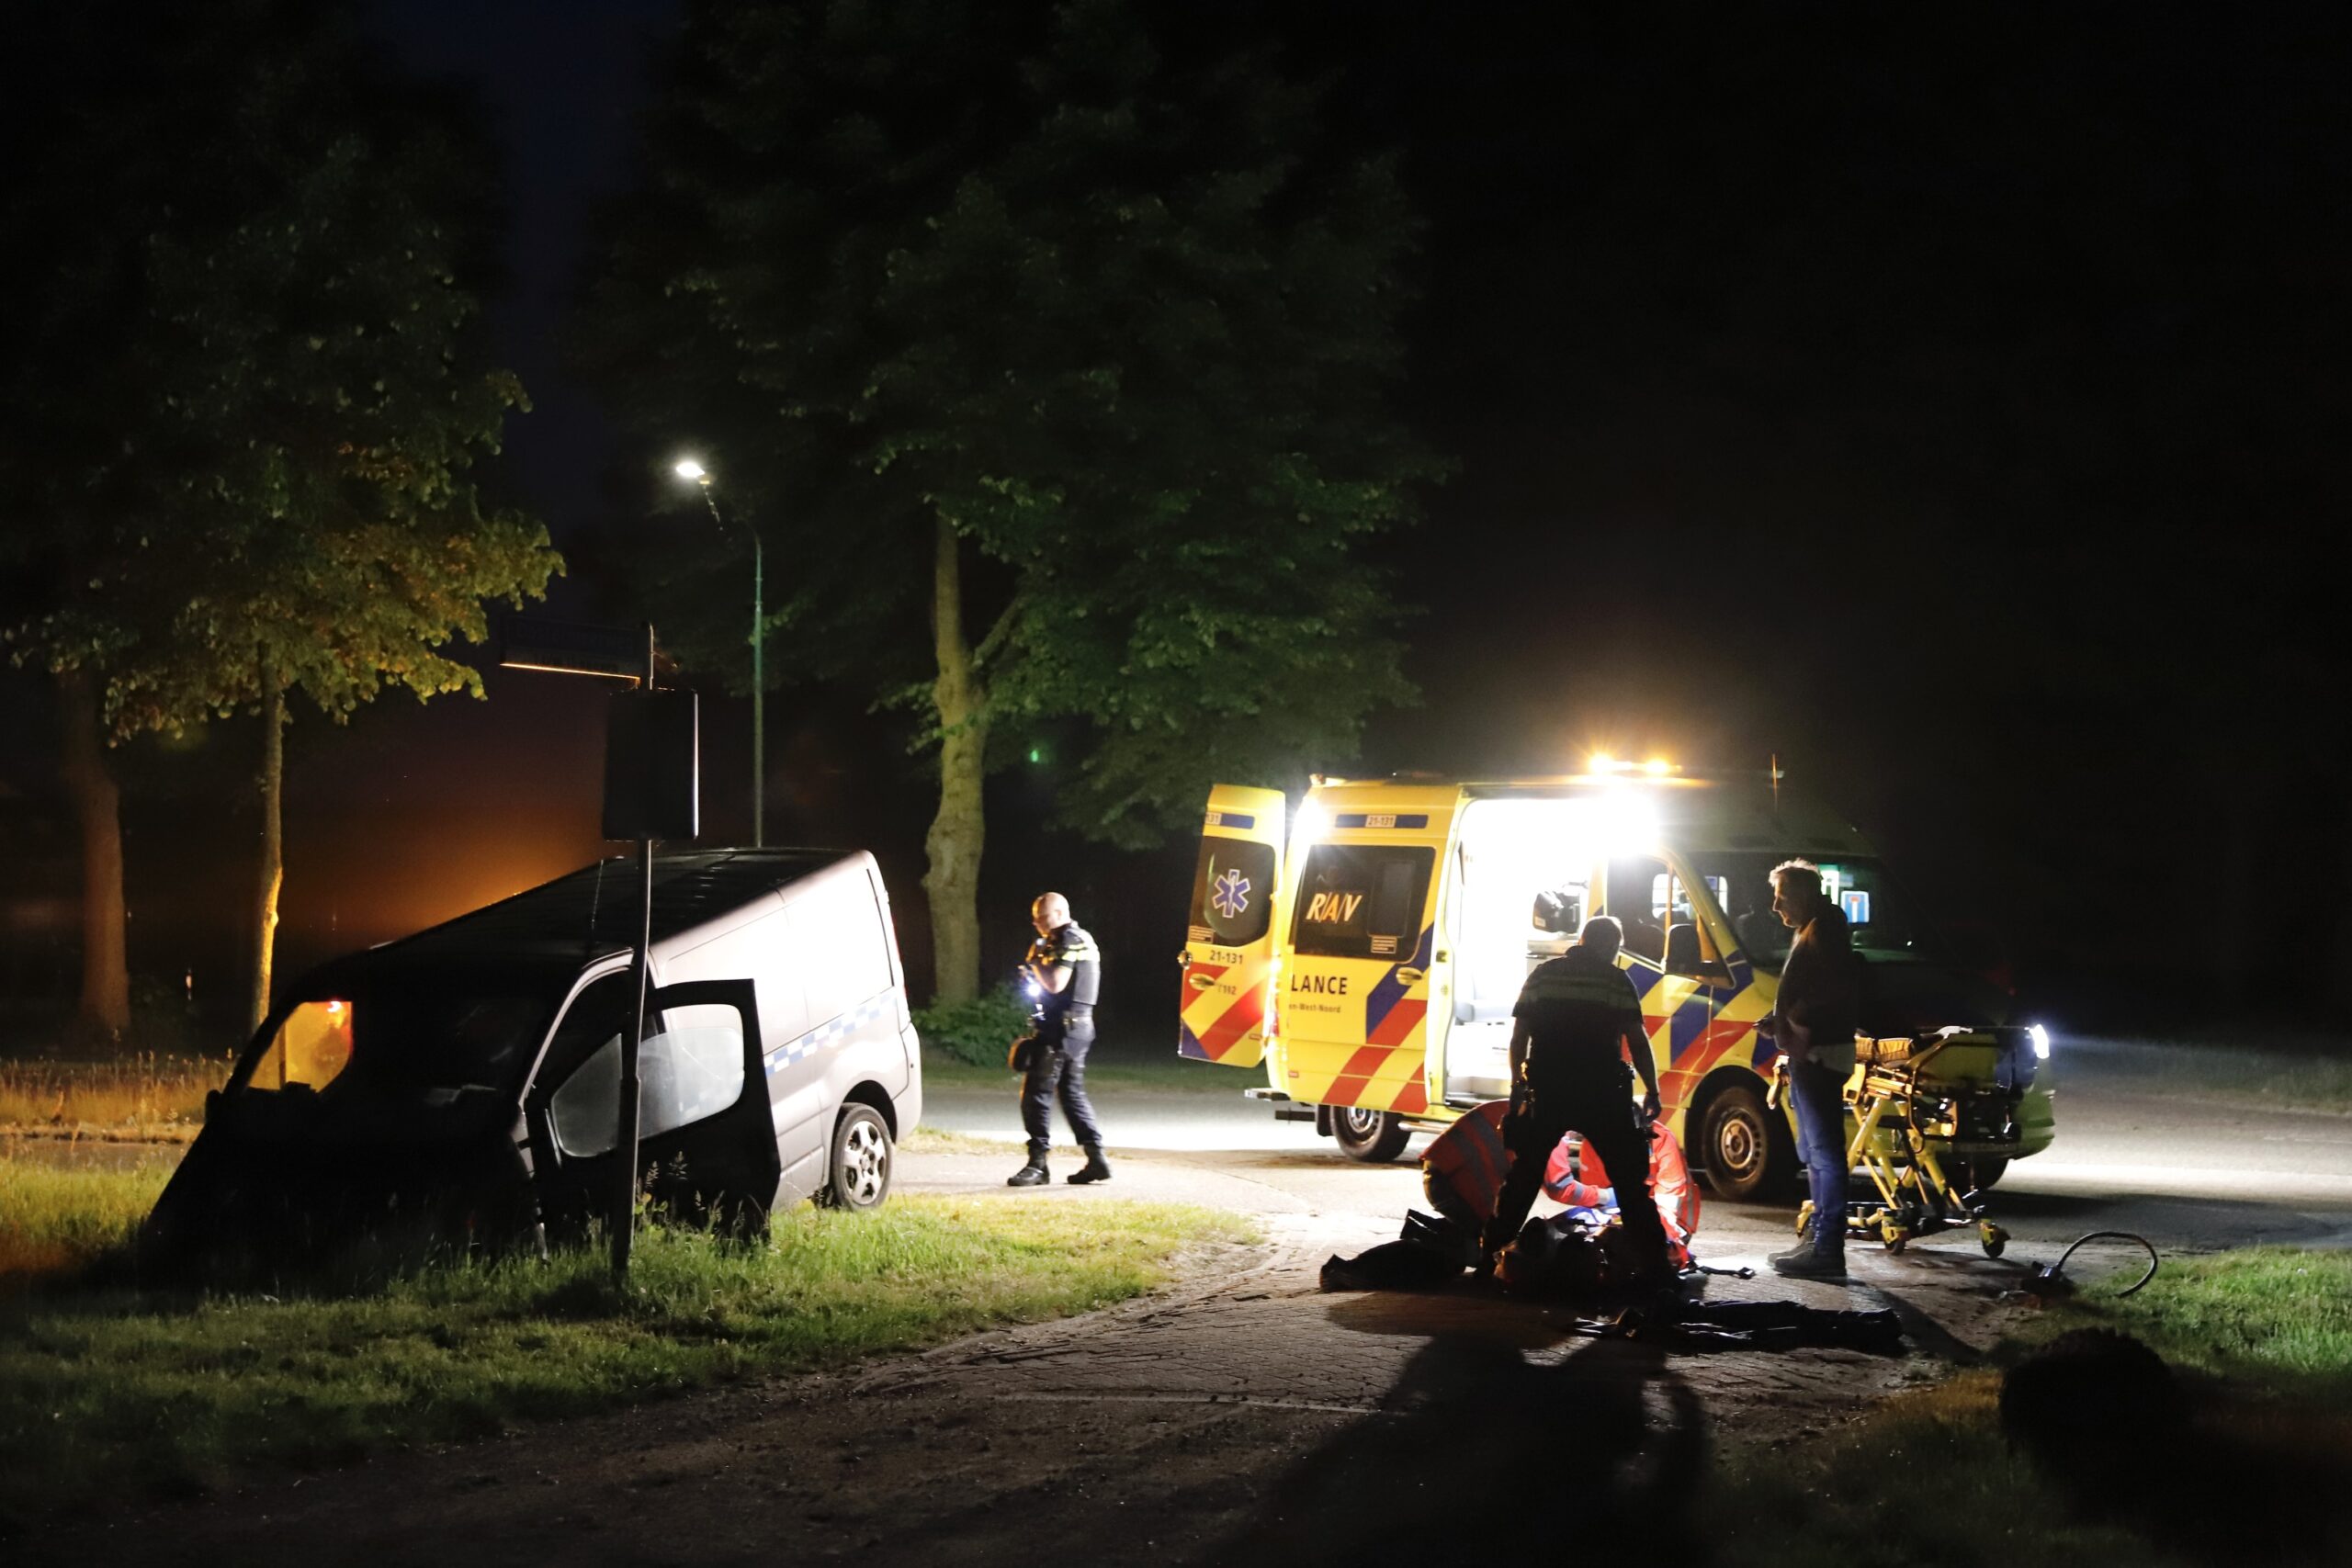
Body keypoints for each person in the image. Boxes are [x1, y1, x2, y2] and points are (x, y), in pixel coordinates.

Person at [1477, 915, 1673, 1285]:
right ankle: (1656, 1270)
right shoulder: (1616, 980)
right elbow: (1638, 1039)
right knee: (1630, 1185)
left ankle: (1490, 1254)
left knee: (1524, 1176)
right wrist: (1652, 1088)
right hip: (1602, 1092)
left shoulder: (1543, 976)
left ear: (1581, 940)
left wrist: (1517, 1088)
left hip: (1548, 1089)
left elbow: (1520, 1036)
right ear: (1612, 948)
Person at [1759, 859, 1860, 1280]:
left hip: (1818, 1053)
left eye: (1781, 897)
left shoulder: (1824, 930)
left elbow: (1829, 991)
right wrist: (1780, 1017)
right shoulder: (1818, 927)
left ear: (1801, 894)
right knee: (1816, 1154)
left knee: (1824, 1154)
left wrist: (1795, 1022)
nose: (1775, 906)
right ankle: (1818, 1239)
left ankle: (1826, 1245)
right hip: (1812, 1050)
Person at [1007, 892, 1110, 1187]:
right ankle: (1097, 1159)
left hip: (1061, 1031)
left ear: (1061, 912)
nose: (1038, 923)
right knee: (1071, 1093)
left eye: (1043, 916)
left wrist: (1035, 961)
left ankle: (1038, 1165)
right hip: (1076, 1027)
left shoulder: (1068, 939)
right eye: (1035, 918)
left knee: (1036, 1093)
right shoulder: (1077, 938)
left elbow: (1055, 983)